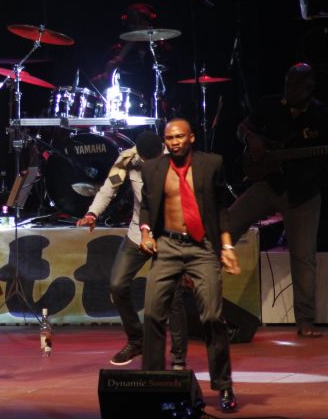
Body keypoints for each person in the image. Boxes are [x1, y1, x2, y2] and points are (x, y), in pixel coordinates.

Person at [138, 118, 241, 412]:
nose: (175, 142)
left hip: (202, 247)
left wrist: (227, 247)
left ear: (191, 137)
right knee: (153, 314)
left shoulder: (212, 164)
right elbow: (146, 206)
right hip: (168, 246)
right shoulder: (153, 168)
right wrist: (145, 232)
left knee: (212, 317)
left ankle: (223, 385)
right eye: (170, 138)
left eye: (180, 137)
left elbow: (220, 208)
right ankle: (152, 384)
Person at [227, 62, 327, 338]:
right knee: (227, 224)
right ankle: (201, 295)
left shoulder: (321, 114)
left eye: (295, 87)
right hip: (269, 185)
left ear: (309, 88)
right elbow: (241, 128)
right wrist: (251, 138)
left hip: (304, 193)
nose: (289, 91)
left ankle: (305, 321)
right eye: (287, 84)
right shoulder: (269, 105)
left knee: (303, 258)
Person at [77, 130, 188, 368]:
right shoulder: (127, 159)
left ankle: (178, 359)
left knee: (173, 297)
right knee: (117, 285)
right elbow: (109, 188)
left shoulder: (179, 161)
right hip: (138, 233)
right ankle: (136, 340)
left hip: (169, 235)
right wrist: (92, 213)